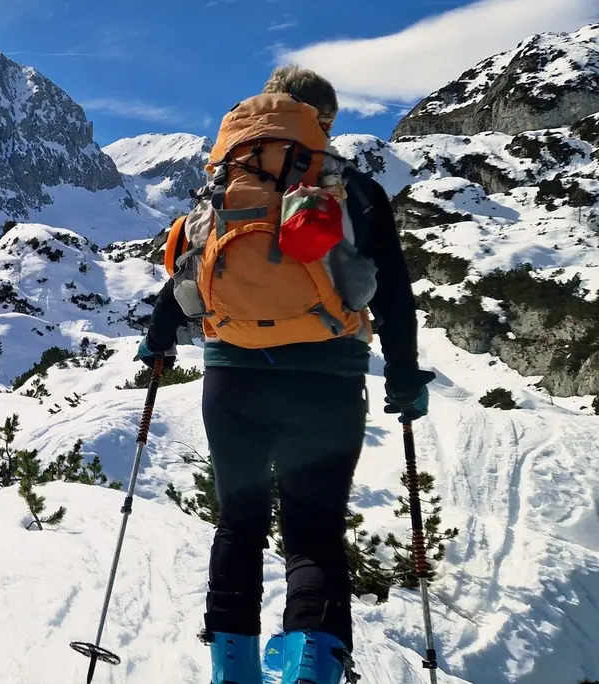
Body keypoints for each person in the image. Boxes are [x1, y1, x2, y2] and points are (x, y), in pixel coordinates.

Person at [136, 64, 436, 684]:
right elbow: (394, 297)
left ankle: (232, 667)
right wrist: (403, 379)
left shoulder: (222, 187)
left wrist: (157, 344)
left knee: (239, 524)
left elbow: (183, 280)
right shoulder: (350, 189)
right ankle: (313, 666)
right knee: (314, 533)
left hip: (232, 381)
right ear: (322, 124)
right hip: (325, 381)